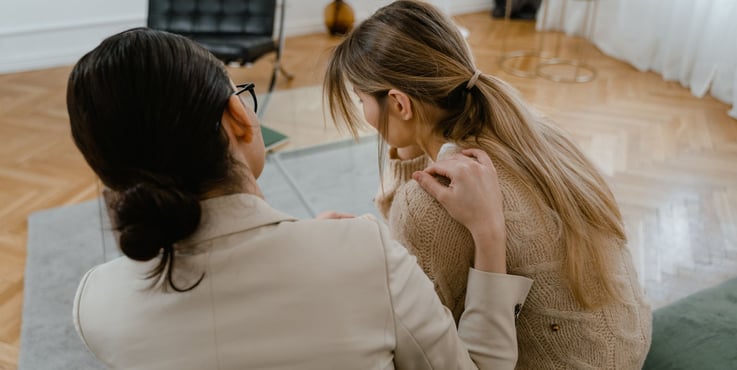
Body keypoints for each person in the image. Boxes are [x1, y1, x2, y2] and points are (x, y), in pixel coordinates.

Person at [67, 27, 533, 370]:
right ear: (238, 116)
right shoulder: (369, 256)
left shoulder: (95, 304)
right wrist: (489, 235)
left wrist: (311, 243)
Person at [324, 1, 652, 369]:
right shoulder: (532, 132)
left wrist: (365, 258)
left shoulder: (429, 202)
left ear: (399, 103)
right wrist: (407, 148)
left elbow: (425, 342)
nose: (365, 115)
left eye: (360, 100)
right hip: (626, 344)